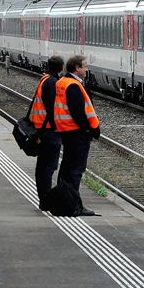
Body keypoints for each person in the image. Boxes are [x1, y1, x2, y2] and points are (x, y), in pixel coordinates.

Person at [53, 55, 101, 216]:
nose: (86, 70)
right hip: (77, 134)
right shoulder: (73, 85)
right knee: (75, 171)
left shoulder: (62, 82)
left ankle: (63, 203)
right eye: (85, 67)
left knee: (66, 169)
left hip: (66, 131)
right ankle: (74, 206)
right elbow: (78, 112)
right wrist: (89, 130)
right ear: (77, 68)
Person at [31, 55, 65, 210]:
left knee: (44, 166)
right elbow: (53, 109)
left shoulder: (45, 79)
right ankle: (45, 200)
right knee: (48, 167)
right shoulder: (51, 83)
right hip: (49, 131)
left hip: (42, 129)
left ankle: (44, 199)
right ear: (61, 68)